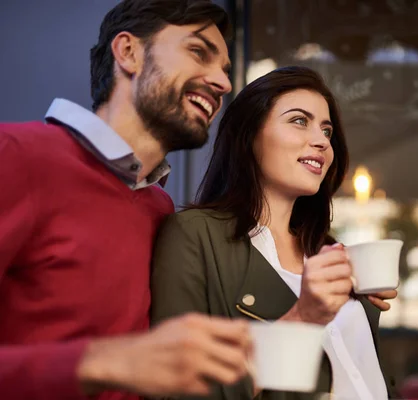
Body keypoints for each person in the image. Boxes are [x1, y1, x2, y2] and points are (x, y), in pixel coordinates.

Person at [0, 1, 252, 399]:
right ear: (129, 52)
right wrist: (102, 362)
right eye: (198, 52)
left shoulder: (159, 207)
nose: (222, 83)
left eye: (224, 70)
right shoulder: (16, 154)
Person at [150, 66, 396, 400]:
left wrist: (360, 304)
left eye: (327, 130)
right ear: (249, 136)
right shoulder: (195, 237)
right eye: (299, 121)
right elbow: (177, 388)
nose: (322, 141)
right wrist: (303, 317)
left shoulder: (331, 253)